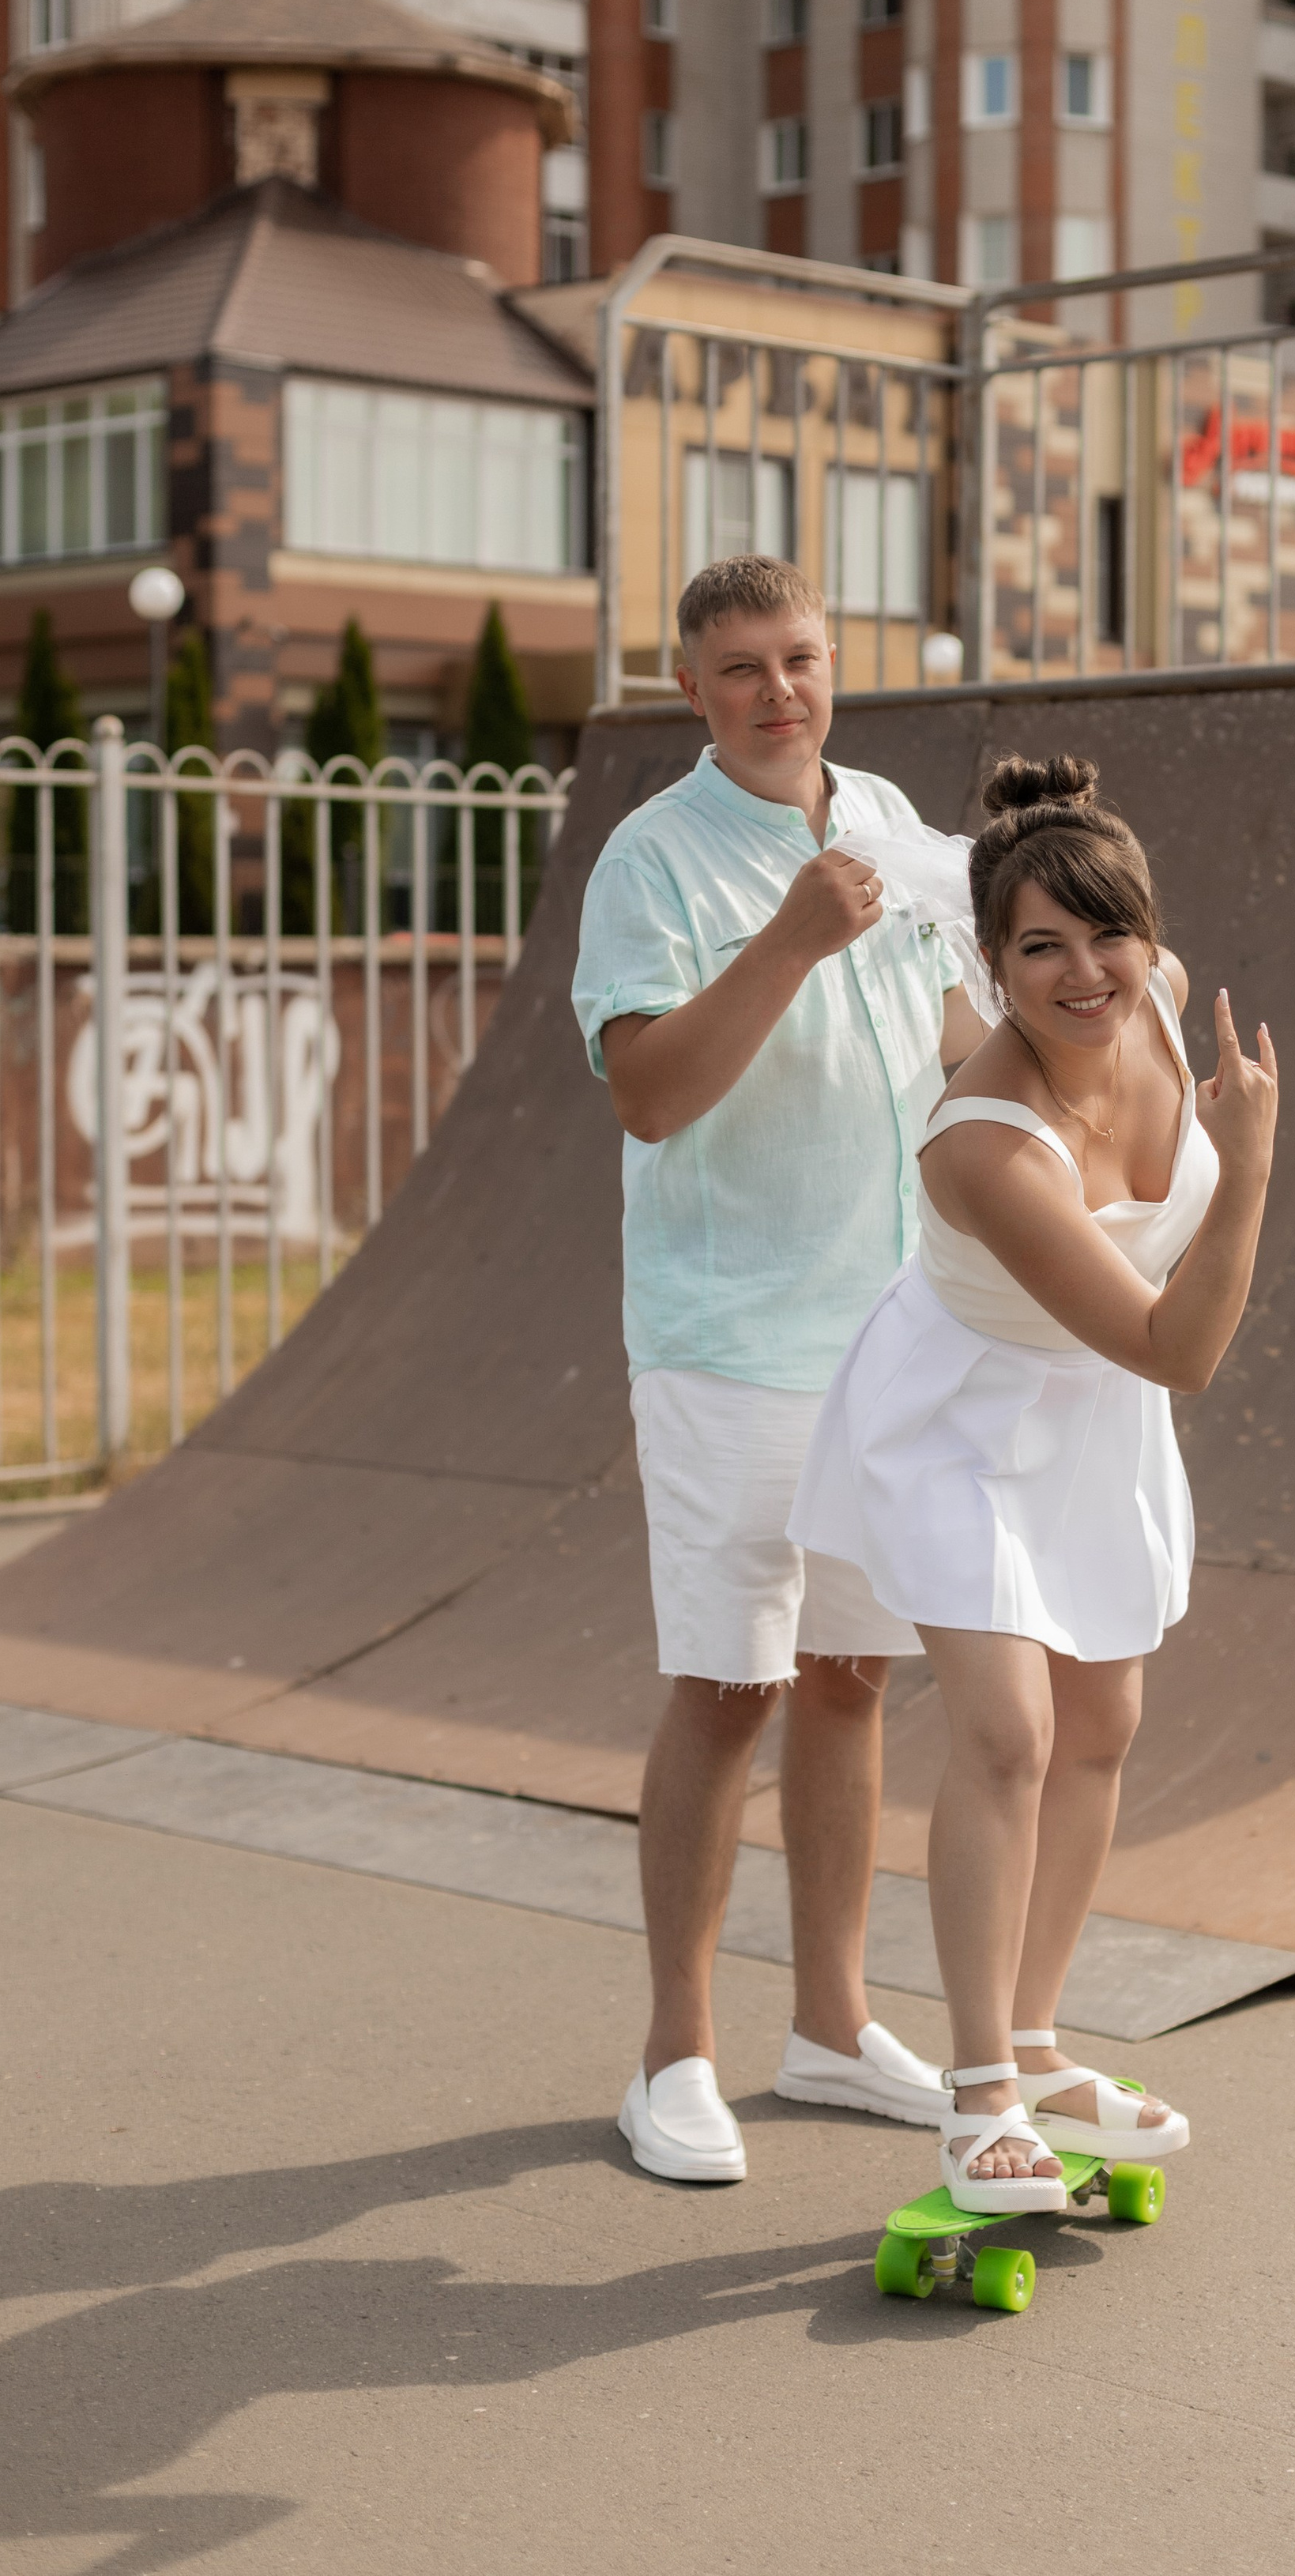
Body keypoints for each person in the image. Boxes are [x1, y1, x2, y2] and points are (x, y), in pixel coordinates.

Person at [791, 755, 1278, 2213]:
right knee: (1004, 1729)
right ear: (991, 970)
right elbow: (1175, 1349)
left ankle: (1045, 2041)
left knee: (1102, 1724)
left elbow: (1140, 1369)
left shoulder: (1157, 993)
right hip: (959, 1419)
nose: (1087, 973)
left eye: (1108, 936)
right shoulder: (982, 1146)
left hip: (1094, 1423)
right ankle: (978, 2092)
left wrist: (1100, 899)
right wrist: (1248, 1165)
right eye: (1042, 949)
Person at [570, 553, 984, 2184]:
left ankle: (827, 2027)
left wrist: (1099, 1020)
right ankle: (675, 2050)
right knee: (729, 1686)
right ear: (691, 687)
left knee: (851, 1678)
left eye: (799, 660)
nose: (777, 693)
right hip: (730, 1338)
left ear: (834, 667)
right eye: (739, 668)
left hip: (893, 1331)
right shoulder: (652, 858)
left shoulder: (879, 813)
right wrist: (793, 943)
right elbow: (649, 1096)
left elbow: (959, 1040)